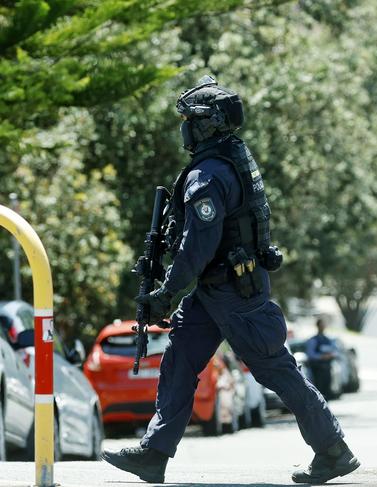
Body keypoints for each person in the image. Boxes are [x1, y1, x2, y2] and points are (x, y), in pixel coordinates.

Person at [102, 76, 360, 484]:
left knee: (276, 370)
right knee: (180, 359)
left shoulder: (209, 174)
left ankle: (333, 450)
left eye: (189, 119)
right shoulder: (229, 158)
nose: (184, 127)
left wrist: (167, 292)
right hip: (215, 290)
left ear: (206, 125)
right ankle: (154, 453)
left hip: (234, 291)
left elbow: (198, 244)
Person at [305, 318, 338, 399]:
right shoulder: (313, 340)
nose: (323, 327)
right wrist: (321, 357)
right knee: (319, 390)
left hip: (327, 368)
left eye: (324, 325)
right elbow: (310, 354)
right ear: (318, 326)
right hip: (317, 370)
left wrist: (332, 355)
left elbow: (335, 351)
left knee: (327, 391)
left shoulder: (328, 340)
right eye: (321, 325)